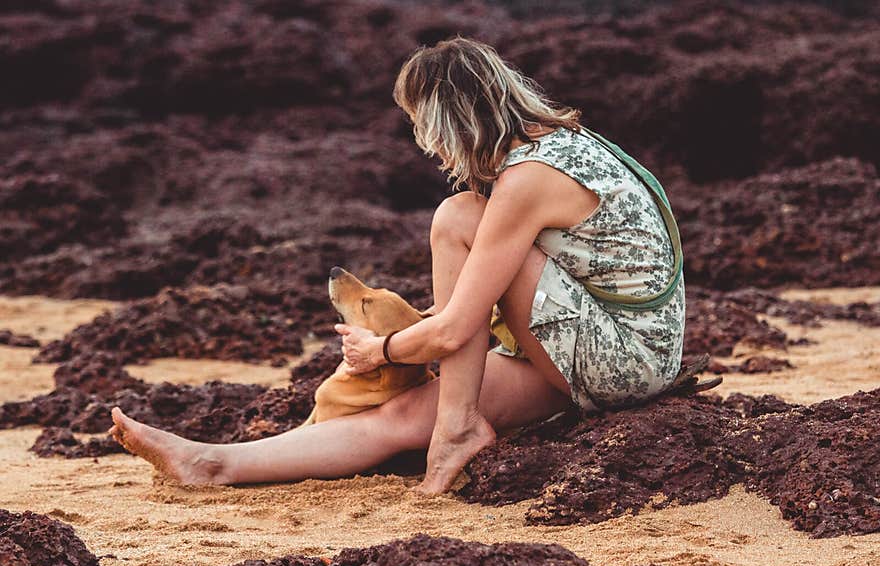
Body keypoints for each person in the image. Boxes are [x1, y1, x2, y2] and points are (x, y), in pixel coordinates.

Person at [109, 36, 685, 495]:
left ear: (447, 118)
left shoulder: (528, 179)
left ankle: (457, 427)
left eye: (419, 123)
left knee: (456, 216)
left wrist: (381, 351)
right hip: (606, 349)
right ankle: (211, 464)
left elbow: (460, 326)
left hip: (625, 359)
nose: (422, 141)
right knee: (405, 415)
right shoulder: (560, 143)